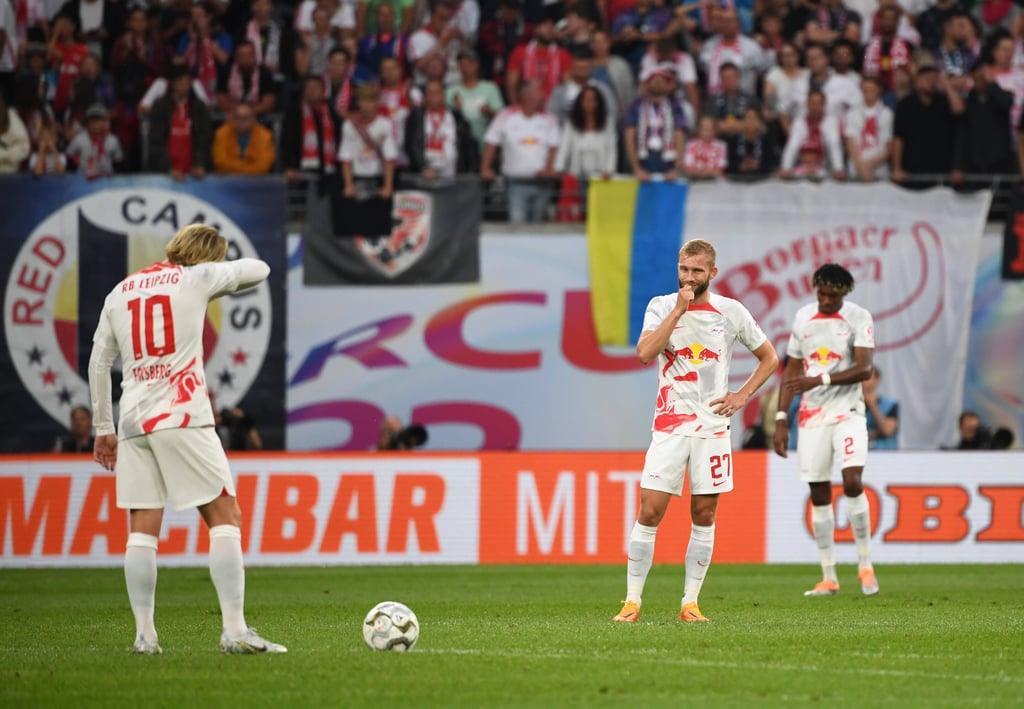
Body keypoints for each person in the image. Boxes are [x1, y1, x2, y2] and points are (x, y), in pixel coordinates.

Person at [88, 223, 286, 655]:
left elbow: (99, 362)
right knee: (224, 515)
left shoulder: (121, 291)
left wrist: (104, 428)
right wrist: (216, 276)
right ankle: (234, 632)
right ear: (209, 257)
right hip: (181, 414)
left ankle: (145, 637)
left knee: (142, 529)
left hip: (133, 421)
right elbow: (261, 269)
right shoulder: (197, 277)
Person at [613, 239, 779, 624]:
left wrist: (741, 395)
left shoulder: (731, 312)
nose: (690, 277)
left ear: (712, 273)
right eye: (685, 270)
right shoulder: (660, 306)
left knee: (704, 513)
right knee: (649, 511)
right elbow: (643, 353)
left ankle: (690, 603)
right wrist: (677, 311)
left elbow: (769, 357)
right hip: (669, 426)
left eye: (698, 271)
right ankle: (632, 601)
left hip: (712, 428)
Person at [772, 263, 879, 598]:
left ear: (844, 294)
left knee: (852, 481)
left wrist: (819, 379)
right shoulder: (803, 318)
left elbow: (865, 369)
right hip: (811, 417)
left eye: (833, 295)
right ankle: (829, 576)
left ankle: (865, 564)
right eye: (822, 293)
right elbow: (791, 371)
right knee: (819, 494)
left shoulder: (859, 318)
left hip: (848, 412)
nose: (826, 300)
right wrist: (779, 418)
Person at [481, 78, 560, 223]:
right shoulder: (505, 115)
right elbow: (492, 142)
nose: (544, 95)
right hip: (515, 183)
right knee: (517, 224)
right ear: (528, 96)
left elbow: (555, 147)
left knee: (539, 225)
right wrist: (485, 168)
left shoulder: (550, 118)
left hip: (542, 183)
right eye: (540, 92)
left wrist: (549, 168)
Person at [404, 78, 478, 181]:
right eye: (430, 93)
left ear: (444, 94)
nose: (433, 96)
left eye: (437, 92)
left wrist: (470, 171)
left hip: (453, 175)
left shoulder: (457, 118)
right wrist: (423, 168)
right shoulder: (416, 117)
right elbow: (411, 145)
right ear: (425, 96)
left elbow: (468, 145)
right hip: (424, 176)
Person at [147, 65, 212, 181]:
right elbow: (156, 141)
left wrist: (200, 164)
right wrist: (168, 168)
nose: (184, 85)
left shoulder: (199, 107)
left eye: (187, 81)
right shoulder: (160, 106)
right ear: (173, 83)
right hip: (166, 172)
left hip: (193, 172)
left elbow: (204, 139)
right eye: (180, 81)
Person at [624, 63, 686, 182]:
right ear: (646, 84)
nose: (657, 82)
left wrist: (676, 169)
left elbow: (679, 136)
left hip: (668, 162)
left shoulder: (675, 106)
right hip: (643, 161)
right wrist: (636, 168)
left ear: (668, 85)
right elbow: (629, 136)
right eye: (654, 79)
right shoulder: (636, 105)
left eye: (661, 80)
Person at [211, 102, 275, 175]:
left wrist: (237, 169)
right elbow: (220, 162)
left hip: (256, 181)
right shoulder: (221, 133)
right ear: (232, 118)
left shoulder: (265, 136)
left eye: (245, 118)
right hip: (227, 179)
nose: (241, 122)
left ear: (253, 119)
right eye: (237, 118)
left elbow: (263, 166)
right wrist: (248, 168)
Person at [66, 103, 122, 178]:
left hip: (107, 179)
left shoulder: (112, 140)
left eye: (98, 120)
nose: (95, 124)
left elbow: (118, 162)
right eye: (92, 121)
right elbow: (69, 157)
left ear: (105, 122)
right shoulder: (79, 139)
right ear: (87, 123)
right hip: (83, 179)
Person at [862, 367, 898, 449]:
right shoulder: (851, 405)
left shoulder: (890, 405)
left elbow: (887, 430)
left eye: (867, 377)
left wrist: (873, 405)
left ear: (877, 380)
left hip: (885, 456)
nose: (863, 381)